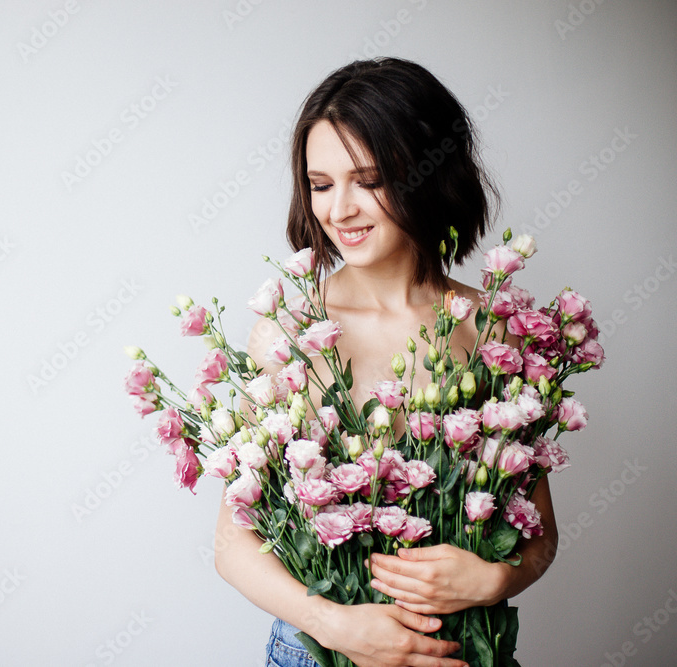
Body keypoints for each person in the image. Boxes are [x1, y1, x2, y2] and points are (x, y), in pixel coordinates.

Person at [213, 58, 559, 667]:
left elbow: (538, 535)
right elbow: (232, 547)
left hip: (462, 653)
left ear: (429, 174)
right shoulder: (290, 333)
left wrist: (494, 582)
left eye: (367, 180)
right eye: (321, 184)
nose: (339, 209)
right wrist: (338, 627)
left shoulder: (491, 329)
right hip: (314, 653)